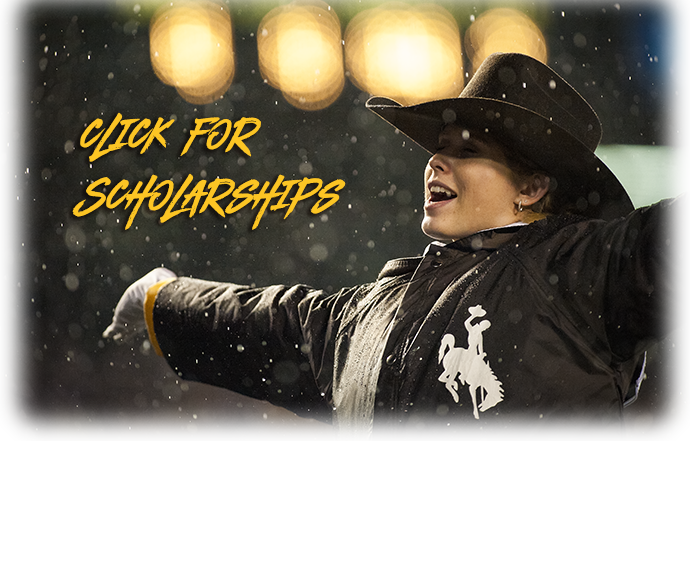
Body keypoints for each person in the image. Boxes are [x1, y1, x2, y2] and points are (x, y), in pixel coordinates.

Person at [104, 52, 690, 440]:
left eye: (467, 150)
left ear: (533, 187)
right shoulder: (373, 311)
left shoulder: (582, 271)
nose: (436, 158)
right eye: (439, 146)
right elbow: (276, 325)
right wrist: (164, 298)